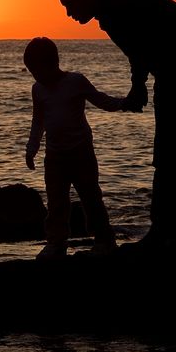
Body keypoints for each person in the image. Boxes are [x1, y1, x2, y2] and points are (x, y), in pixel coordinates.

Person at [58, 0, 176, 253]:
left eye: (70, 5)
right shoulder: (112, 9)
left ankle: (171, 235)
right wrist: (139, 86)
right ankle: (168, 233)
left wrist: (137, 88)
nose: (70, 14)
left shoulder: (116, 10)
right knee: (171, 152)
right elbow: (139, 50)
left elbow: (141, 45)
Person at [24, 36, 125, 258]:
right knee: (56, 202)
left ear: (52, 63)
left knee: (91, 197)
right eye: (31, 72)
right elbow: (38, 121)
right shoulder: (38, 89)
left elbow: (101, 100)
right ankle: (56, 243)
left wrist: (124, 104)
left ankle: (105, 240)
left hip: (81, 152)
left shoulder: (76, 81)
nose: (36, 76)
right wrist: (31, 150)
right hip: (55, 156)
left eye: (37, 70)